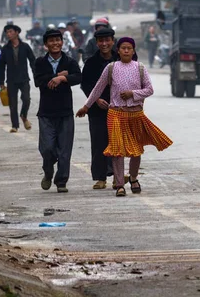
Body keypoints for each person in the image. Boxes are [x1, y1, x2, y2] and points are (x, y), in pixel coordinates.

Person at [76, 37, 172, 197]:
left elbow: (149, 90)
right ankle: (120, 184)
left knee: (136, 150)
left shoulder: (140, 68)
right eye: (123, 48)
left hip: (135, 114)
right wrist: (86, 106)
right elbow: (98, 88)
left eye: (129, 48)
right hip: (116, 114)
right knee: (117, 150)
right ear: (118, 51)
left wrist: (133, 94)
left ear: (133, 51)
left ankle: (133, 178)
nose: (126, 51)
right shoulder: (111, 68)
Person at [33, 29, 82, 193]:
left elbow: (79, 77)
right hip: (46, 113)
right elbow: (38, 81)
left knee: (65, 150)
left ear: (62, 42)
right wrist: (54, 76)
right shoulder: (40, 62)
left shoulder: (69, 61)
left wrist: (63, 78)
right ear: (46, 45)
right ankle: (48, 171)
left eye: (58, 40)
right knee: (47, 149)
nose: (55, 43)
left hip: (65, 112)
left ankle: (61, 181)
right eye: (51, 41)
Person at [81, 25, 119, 190]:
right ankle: (100, 177)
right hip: (97, 110)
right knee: (98, 142)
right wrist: (96, 100)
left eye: (107, 40)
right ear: (96, 42)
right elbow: (86, 85)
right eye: (101, 41)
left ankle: (118, 175)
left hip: (119, 108)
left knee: (118, 142)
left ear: (112, 41)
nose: (104, 44)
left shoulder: (121, 59)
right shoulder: (91, 62)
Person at [0, 24, 36, 133]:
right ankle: (15, 125)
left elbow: (33, 61)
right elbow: (1, 66)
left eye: (10, 32)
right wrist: (1, 81)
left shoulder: (25, 46)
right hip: (11, 80)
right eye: (7, 32)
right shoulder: (5, 49)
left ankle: (23, 115)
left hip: (24, 78)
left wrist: (36, 74)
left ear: (17, 32)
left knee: (26, 99)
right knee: (12, 104)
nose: (8, 34)